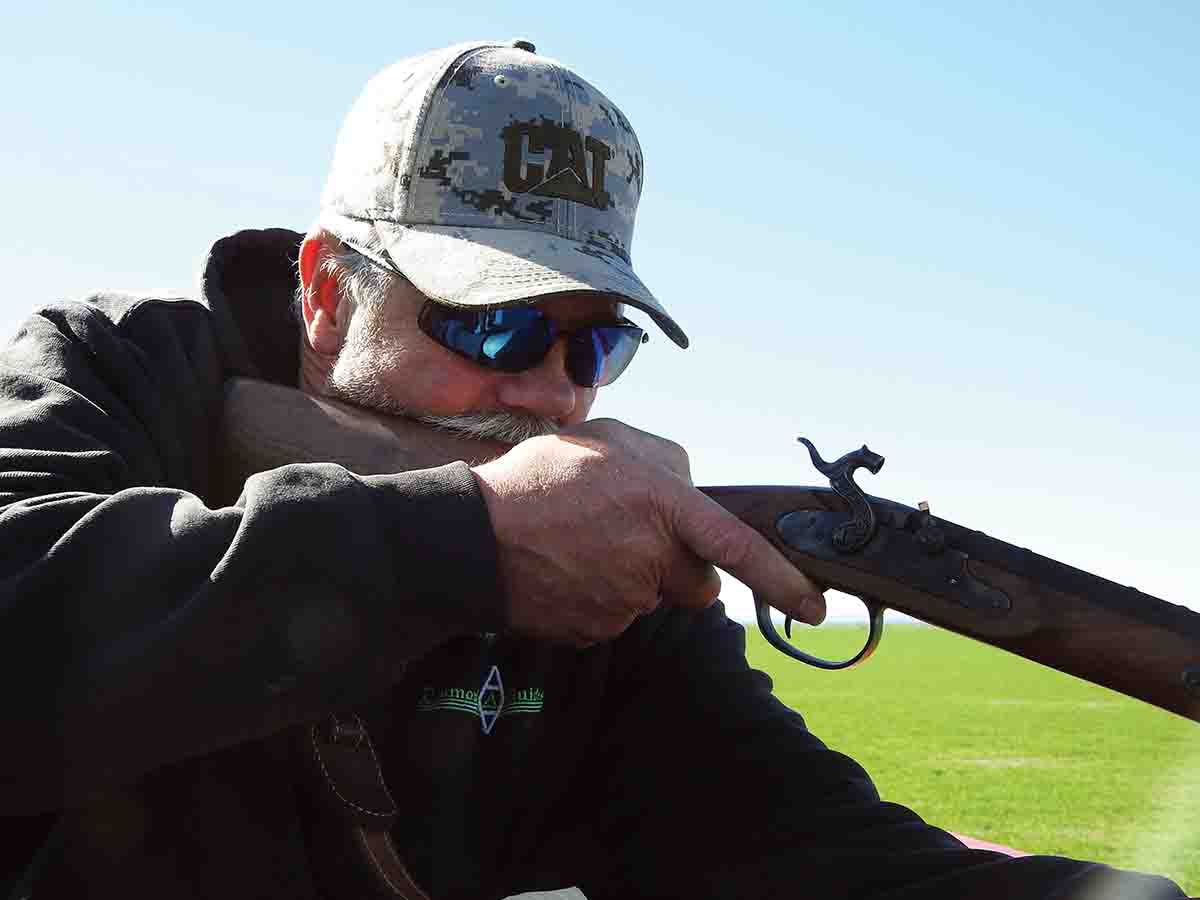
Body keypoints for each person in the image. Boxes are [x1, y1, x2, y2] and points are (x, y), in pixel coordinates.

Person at [0, 39, 1186, 900]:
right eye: (493, 326)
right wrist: (460, 547)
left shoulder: (598, 559)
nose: (552, 393)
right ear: (322, 293)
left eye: (593, 343)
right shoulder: (119, 376)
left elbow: (807, 847)